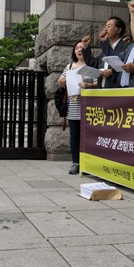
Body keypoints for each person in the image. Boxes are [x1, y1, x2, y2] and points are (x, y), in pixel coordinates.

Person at [57, 40, 97, 174]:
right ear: (74, 52)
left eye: (82, 47)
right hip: (73, 106)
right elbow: (60, 83)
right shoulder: (69, 67)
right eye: (77, 48)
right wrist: (61, 82)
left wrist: (88, 85)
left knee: (88, 135)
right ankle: (76, 162)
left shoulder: (91, 66)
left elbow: (98, 83)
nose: (79, 50)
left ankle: (88, 163)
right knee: (74, 135)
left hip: (89, 105)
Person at [83, 16, 130, 89]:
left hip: (116, 89)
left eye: (109, 26)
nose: (105, 29)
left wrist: (112, 72)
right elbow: (94, 64)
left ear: (118, 30)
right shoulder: (106, 48)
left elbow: (127, 68)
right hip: (102, 88)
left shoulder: (126, 47)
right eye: (105, 26)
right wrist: (86, 47)